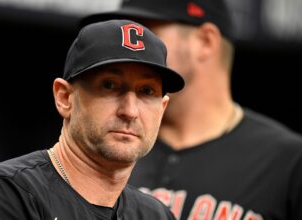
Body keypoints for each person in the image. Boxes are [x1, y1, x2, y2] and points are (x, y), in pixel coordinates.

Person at [0, 19, 185, 220]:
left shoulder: (156, 215)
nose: (130, 111)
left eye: (147, 91)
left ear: (162, 108)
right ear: (65, 98)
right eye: (110, 85)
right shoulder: (3, 197)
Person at [81, 0, 302, 219]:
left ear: (205, 42)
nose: (124, 48)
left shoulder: (289, 162)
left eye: (144, 34)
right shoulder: (101, 143)